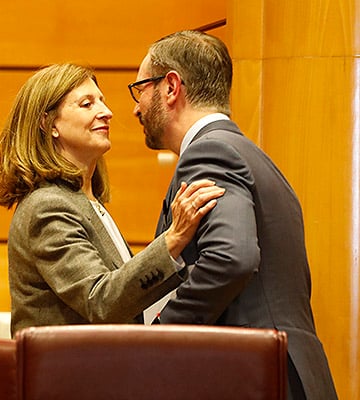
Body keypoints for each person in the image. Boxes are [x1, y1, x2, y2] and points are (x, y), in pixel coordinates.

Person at [130, 30, 337, 400]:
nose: (135, 107)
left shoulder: (210, 153)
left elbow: (232, 257)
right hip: (288, 373)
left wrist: (162, 332)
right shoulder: (255, 158)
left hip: (256, 376)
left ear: (171, 87)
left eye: (141, 88)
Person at [0, 63, 224, 336]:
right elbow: (101, 301)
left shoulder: (85, 201)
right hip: (69, 375)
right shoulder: (48, 206)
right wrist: (173, 239)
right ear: (48, 124)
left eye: (102, 101)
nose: (107, 112)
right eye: (87, 104)